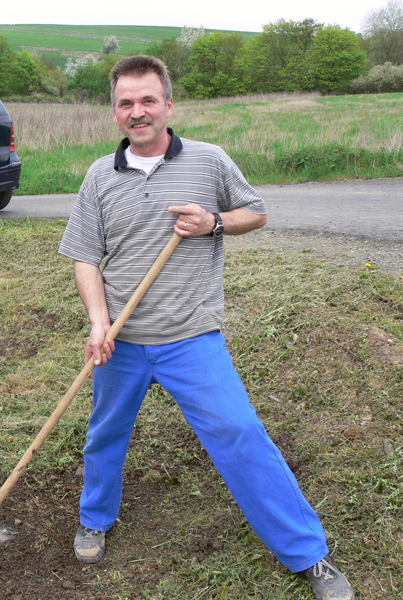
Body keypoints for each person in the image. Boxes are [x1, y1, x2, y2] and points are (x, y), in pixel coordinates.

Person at [58, 55, 354, 600]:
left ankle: (308, 554)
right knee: (103, 436)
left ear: (168, 104)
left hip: (191, 337)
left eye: (148, 100)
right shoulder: (99, 175)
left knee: (240, 434)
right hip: (121, 342)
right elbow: (84, 255)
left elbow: (255, 211)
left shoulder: (209, 161)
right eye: (126, 102)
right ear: (115, 111)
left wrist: (213, 222)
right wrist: (99, 323)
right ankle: (95, 518)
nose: (137, 112)